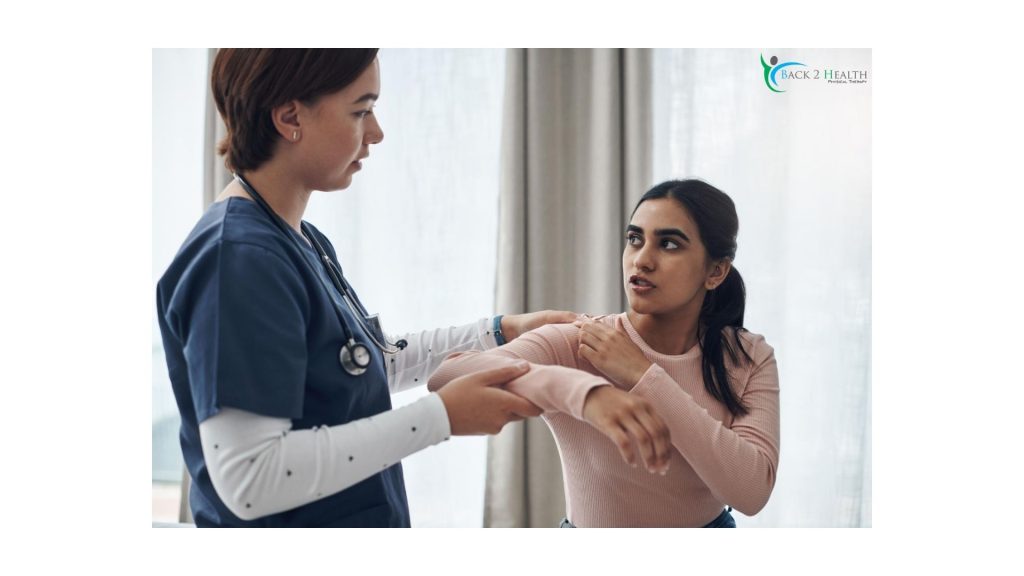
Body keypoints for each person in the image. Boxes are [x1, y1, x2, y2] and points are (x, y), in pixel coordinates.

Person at [156, 49, 666, 527]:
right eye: (361, 111)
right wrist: (441, 417)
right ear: (290, 118)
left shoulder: (298, 240)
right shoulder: (240, 261)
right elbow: (248, 479)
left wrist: (501, 331)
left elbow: (360, 367)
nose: (375, 133)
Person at [429, 179, 781, 527]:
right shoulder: (581, 342)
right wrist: (580, 392)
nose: (641, 260)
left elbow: (751, 492)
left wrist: (644, 376)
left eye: (669, 244)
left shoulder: (748, 356)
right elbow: (446, 377)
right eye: (634, 239)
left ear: (715, 272)